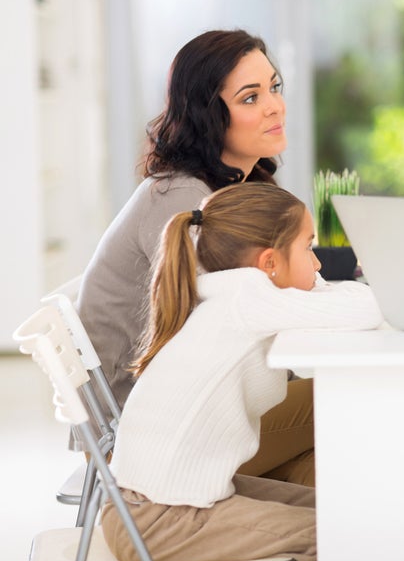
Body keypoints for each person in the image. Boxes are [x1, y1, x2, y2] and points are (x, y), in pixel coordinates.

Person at [101, 182, 383, 561]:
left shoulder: (232, 291)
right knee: (329, 539)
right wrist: (315, 285)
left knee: (339, 515)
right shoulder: (247, 299)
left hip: (148, 506)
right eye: (308, 248)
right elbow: (367, 308)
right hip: (155, 519)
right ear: (268, 262)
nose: (318, 260)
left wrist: (304, 278)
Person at [77, 29, 318, 485]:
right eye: (250, 98)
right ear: (208, 115)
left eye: (274, 87)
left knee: (332, 458)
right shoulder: (183, 199)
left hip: (184, 412)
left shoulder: (233, 188)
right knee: (340, 404)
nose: (274, 106)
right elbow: (241, 314)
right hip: (150, 433)